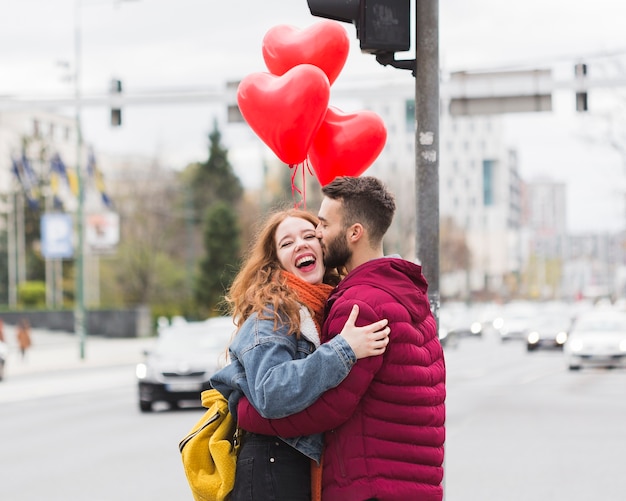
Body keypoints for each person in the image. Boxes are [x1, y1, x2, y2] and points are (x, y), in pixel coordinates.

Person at [237, 176, 446, 501]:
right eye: (288, 242)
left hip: (372, 485)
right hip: (412, 482)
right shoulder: (405, 292)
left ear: (353, 233)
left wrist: (247, 414)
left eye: (319, 227)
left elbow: (331, 408)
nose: (316, 236)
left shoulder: (358, 305)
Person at [209, 208, 390, 501]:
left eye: (309, 235)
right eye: (287, 243)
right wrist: (344, 349)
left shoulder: (320, 306)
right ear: (275, 261)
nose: (301, 244)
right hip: (273, 463)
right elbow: (270, 390)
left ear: (322, 247)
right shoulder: (271, 313)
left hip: (292, 460)